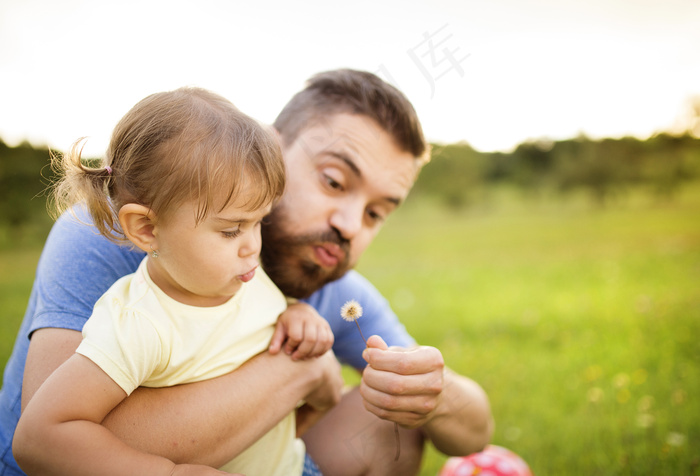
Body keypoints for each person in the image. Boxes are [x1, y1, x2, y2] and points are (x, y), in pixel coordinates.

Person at [0, 69, 493, 476]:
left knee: (393, 421)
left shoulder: (328, 284)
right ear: (270, 152)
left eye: (376, 213)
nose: (349, 226)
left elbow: (474, 431)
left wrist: (432, 390)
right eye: (334, 181)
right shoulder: (114, 234)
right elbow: (48, 443)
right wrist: (298, 372)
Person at [12, 87, 336, 476]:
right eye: (232, 230)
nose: (253, 245)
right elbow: (39, 437)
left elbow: (248, 325)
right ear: (147, 228)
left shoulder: (241, 275)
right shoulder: (138, 324)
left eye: (259, 222)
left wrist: (295, 315)